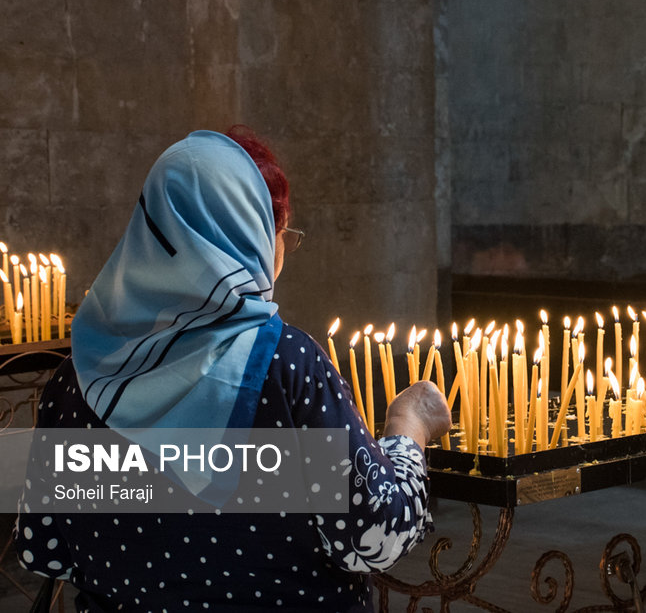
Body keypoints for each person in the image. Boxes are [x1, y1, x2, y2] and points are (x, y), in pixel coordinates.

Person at [14, 127, 451, 612]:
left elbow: (43, 547)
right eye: (278, 232)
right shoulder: (286, 365)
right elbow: (378, 534)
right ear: (249, 235)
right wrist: (408, 426)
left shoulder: (78, 374)